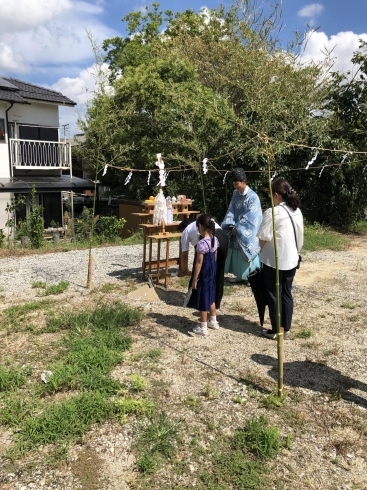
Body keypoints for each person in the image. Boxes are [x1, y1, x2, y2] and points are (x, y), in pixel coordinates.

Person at [256, 178, 304, 340]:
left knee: (273, 293)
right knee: (286, 292)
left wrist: (257, 252)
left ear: (276, 195)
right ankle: (287, 328)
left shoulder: (272, 212)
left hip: (273, 261)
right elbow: (300, 236)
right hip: (291, 258)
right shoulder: (296, 211)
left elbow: (263, 236)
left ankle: (277, 330)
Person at [221, 168, 262, 283]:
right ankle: (240, 275)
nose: (235, 187)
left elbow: (251, 216)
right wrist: (230, 225)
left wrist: (238, 228)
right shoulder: (235, 193)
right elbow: (231, 210)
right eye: (234, 184)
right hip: (235, 228)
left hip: (248, 230)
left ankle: (252, 277)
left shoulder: (253, 197)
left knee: (248, 250)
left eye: (237, 184)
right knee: (236, 252)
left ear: (244, 181)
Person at [179, 216, 228, 310]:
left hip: (212, 238)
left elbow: (185, 254)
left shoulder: (187, 230)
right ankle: (215, 304)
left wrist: (183, 270)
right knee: (218, 273)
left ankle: (197, 301)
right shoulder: (205, 221)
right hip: (223, 238)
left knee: (199, 273)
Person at [186, 214, 220, 336]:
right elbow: (215, 257)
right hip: (212, 272)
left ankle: (203, 326)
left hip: (204, 273)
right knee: (211, 296)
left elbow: (199, 262)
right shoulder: (215, 240)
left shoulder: (201, 244)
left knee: (203, 298)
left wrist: (195, 279)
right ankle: (214, 321)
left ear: (200, 226)